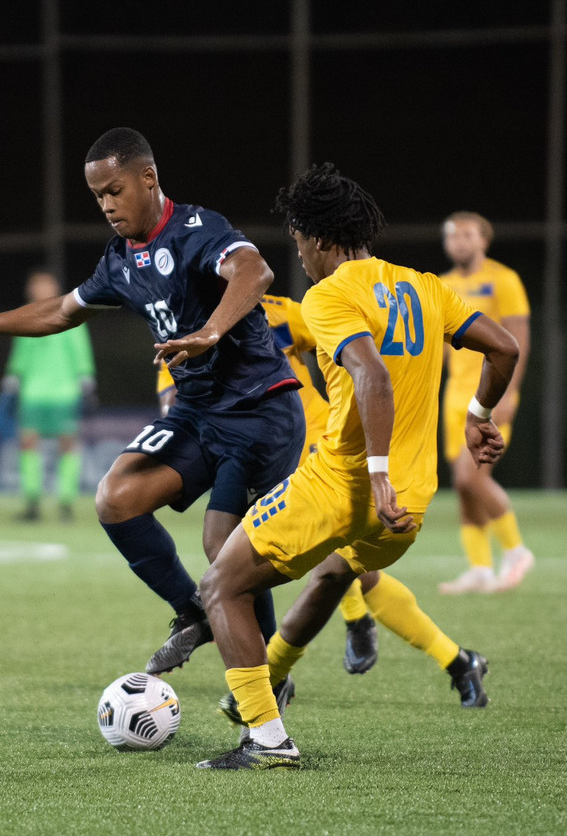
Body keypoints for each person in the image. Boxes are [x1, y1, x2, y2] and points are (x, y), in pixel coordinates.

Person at [0, 127, 305, 674]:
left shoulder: (198, 229)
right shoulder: (120, 261)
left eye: (114, 190)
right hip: (198, 413)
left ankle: (266, 680)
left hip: (255, 408)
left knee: (223, 545)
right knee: (116, 497)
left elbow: (254, 270)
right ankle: (193, 613)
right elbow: (61, 311)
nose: (105, 205)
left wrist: (211, 332)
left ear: (148, 178)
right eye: (97, 195)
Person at [196, 164, 519, 770]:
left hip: (345, 483)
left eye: (297, 243)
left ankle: (267, 741)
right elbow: (504, 347)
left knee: (221, 585)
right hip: (411, 505)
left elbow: (370, 373)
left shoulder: (329, 295)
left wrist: (374, 471)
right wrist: (479, 413)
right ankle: (277, 682)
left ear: (317, 239)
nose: (300, 256)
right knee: (330, 579)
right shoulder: (427, 286)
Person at [163, 295, 491, 691]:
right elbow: (174, 399)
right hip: (250, 457)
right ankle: (451, 659)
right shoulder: (184, 325)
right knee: (244, 561)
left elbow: (345, 348)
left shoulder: (276, 308)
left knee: (324, 569)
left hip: (317, 449)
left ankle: (279, 676)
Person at [437, 212, 534, 595]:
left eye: (467, 235)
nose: (459, 241)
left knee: (469, 475)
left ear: (484, 240)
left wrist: (508, 392)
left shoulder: (503, 279)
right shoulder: (441, 285)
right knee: (463, 487)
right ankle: (479, 568)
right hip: (455, 395)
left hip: (490, 395)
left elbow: (519, 339)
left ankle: (516, 550)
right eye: (453, 235)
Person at [0, 269, 96, 522]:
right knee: (28, 444)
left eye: (45, 285)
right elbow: (21, 352)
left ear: (54, 287)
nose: (41, 290)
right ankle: (32, 503)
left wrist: (86, 378)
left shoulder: (70, 312)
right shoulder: (25, 315)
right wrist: (12, 378)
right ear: (30, 290)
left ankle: (66, 503)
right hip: (32, 393)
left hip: (64, 392)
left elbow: (80, 349)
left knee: (67, 445)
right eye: (37, 286)